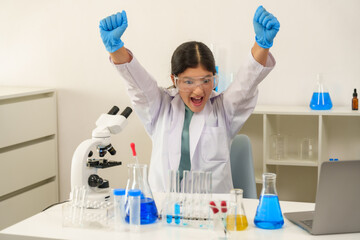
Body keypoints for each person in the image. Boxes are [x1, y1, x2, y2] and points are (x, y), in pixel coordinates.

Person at [99, 6, 280, 193]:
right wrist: (116, 48)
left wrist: (262, 45)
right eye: (188, 82)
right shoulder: (160, 107)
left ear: (214, 77)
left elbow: (247, 82)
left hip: (213, 212)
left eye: (206, 80)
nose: (199, 90)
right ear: (174, 80)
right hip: (163, 211)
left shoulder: (224, 109)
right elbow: (138, 84)